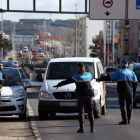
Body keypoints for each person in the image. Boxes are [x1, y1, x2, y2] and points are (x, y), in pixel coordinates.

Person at [53, 63, 95, 133]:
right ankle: (92, 128)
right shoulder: (89, 75)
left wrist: (58, 85)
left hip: (81, 96)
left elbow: (67, 81)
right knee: (90, 112)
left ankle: (82, 129)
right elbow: (90, 80)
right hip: (90, 95)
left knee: (81, 112)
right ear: (84, 68)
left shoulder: (76, 77)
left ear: (78, 68)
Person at [96, 60, 138, 125]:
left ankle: (124, 120)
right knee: (129, 106)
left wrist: (99, 79)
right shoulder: (132, 73)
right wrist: (134, 93)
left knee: (122, 106)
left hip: (122, 92)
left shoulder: (119, 72)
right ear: (127, 65)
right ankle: (129, 120)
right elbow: (135, 83)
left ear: (121, 65)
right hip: (130, 92)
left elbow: (109, 77)